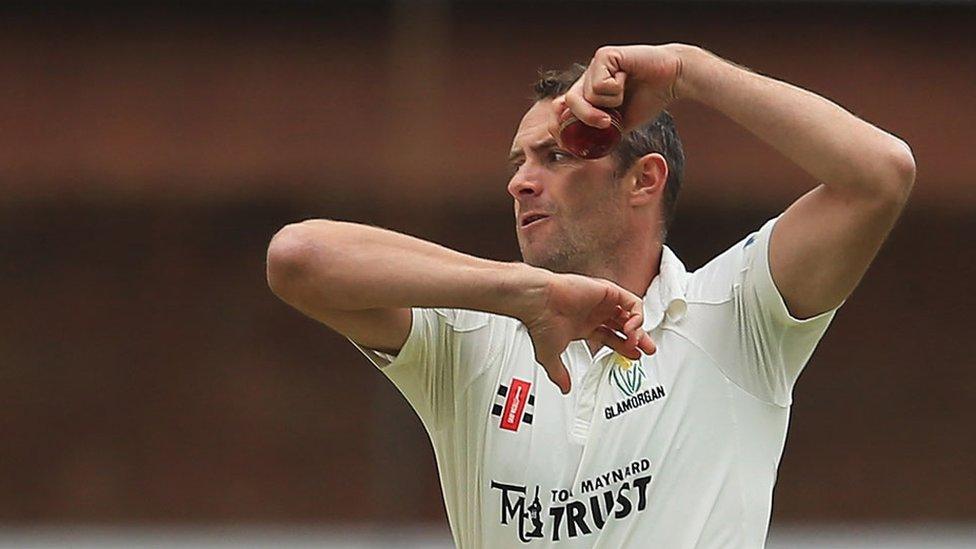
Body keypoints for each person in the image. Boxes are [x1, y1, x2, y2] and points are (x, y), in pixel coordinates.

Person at [266, 44, 915, 548]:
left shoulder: (734, 312)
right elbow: (299, 258)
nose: (520, 182)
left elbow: (881, 175)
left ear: (644, 180)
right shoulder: (477, 332)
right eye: (518, 162)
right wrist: (524, 293)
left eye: (555, 156)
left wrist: (688, 71)